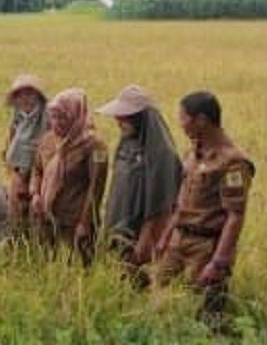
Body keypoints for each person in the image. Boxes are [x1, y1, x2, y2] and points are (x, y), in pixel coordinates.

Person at [153, 91, 255, 327]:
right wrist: (166, 236)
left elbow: (235, 215)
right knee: (157, 297)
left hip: (206, 246)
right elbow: (181, 201)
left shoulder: (233, 163)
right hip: (178, 240)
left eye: (183, 118)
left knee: (205, 313)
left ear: (202, 120)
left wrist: (219, 262)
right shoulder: (192, 153)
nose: (180, 124)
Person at [96, 84, 182, 278]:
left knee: (137, 280)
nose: (118, 121)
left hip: (141, 236)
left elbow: (161, 208)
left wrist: (144, 243)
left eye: (124, 116)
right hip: (119, 231)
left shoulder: (162, 155)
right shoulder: (126, 144)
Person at [29, 88, 107, 265]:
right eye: (53, 117)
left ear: (76, 117)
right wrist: (35, 194)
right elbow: (37, 169)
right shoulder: (48, 140)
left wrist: (85, 222)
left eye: (63, 117)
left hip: (73, 219)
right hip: (46, 217)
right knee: (47, 263)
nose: (56, 122)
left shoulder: (93, 146)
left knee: (77, 266)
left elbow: (96, 187)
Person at [2, 74, 49, 232]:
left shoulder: (46, 116)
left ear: (38, 97)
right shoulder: (18, 115)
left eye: (29, 94)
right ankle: (17, 240)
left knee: (36, 210)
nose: (25, 99)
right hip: (18, 170)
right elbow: (12, 138)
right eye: (20, 95)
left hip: (40, 172)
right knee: (15, 209)